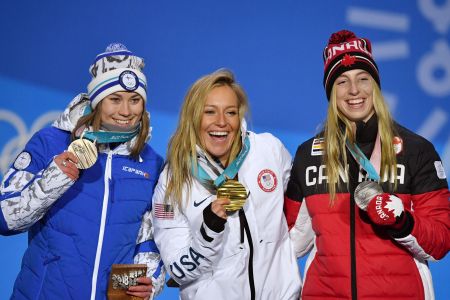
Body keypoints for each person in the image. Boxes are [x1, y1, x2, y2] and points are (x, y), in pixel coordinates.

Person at [284, 29, 450, 300]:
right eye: (341, 82)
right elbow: (290, 242)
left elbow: (441, 241)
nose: (354, 90)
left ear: (375, 84)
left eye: (363, 79)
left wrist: (403, 222)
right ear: (331, 92)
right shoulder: (309, 155)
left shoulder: (416, 150)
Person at [0, 43, 165, 300]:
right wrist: (57, 176)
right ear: (97, 101)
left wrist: (150, 281)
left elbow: (152, 235)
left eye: (135, 100)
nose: (126, 111)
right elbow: (5, 218)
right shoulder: (52, 142)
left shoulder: (151, 163)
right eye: (115, 99)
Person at [151, 69, 301, 299]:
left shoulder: (269, 150)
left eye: (230, 112)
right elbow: (179, 271)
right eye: (209, 112)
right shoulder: (173, 181)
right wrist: (209, 231)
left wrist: (288, 256)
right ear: (193, 117)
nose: (221, 122)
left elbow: (301, 212)